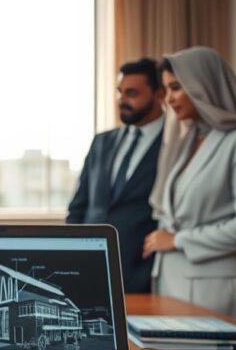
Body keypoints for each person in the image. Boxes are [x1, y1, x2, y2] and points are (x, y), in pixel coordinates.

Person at [143, 46, 236, 327]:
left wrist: (178, 240)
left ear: (203, 85)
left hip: (216, 287)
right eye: (165, 89)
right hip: (173, 282)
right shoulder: (188, 141)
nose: (168, 99)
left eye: (176, 87)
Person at [67, 58, 165, 293]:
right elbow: (78, 207)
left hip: (144, 276)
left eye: (132, 93)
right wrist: (72, 256)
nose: (123, 100)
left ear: (159, 94)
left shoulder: (174, 145)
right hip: (91, 271)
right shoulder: (102, 142)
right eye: (120, 92)